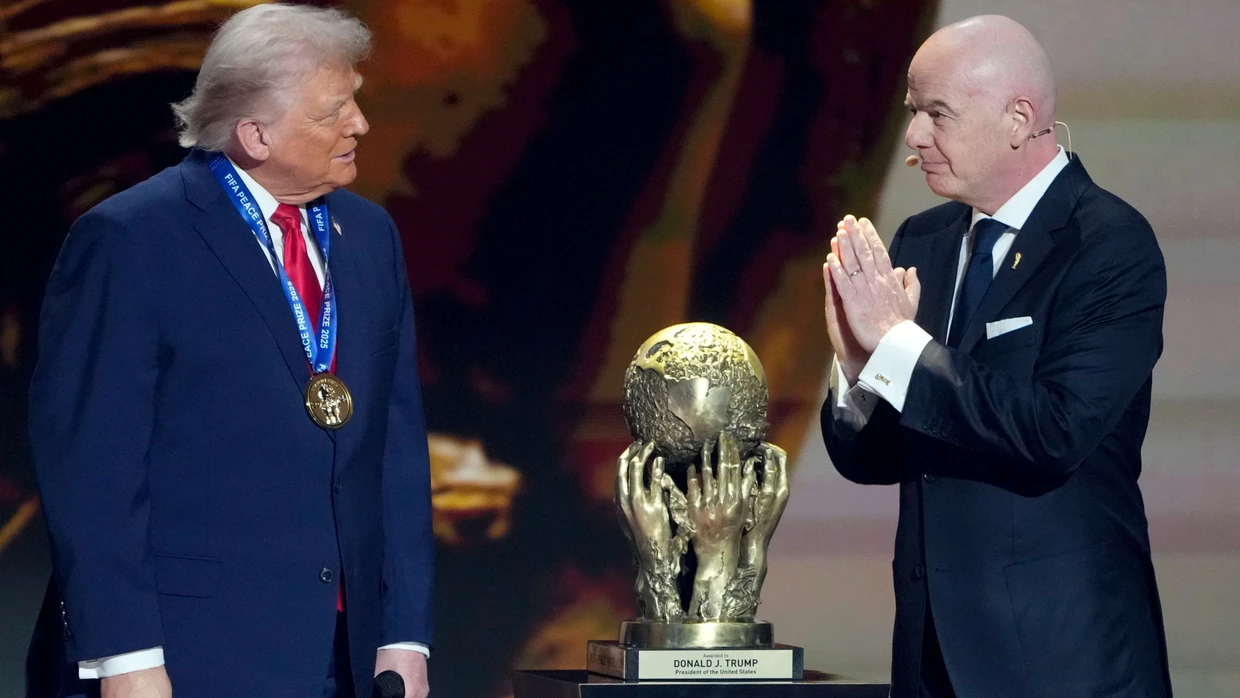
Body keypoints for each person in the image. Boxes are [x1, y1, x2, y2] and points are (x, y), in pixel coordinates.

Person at [26, 5, 432, 697]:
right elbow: (91, 468)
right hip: (183, 658)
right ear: (255, 134)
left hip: (349, 657)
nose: (359, 124)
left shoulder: (369, 237)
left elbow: (393, 445)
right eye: (335, 110)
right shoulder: (131, 240)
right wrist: (126, 659)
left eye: (356, 103)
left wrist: (403, 631)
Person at [820, 15, 1171, 698]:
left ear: (1018, 118)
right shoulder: (923, 240)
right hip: (930, 661)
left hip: (1060, 663)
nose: (915, 139)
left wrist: (897, 346)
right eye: (911, 112)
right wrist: (858, 371)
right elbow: (876, 461)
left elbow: (1053, 431)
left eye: (937, 114)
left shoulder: (1107, 244)